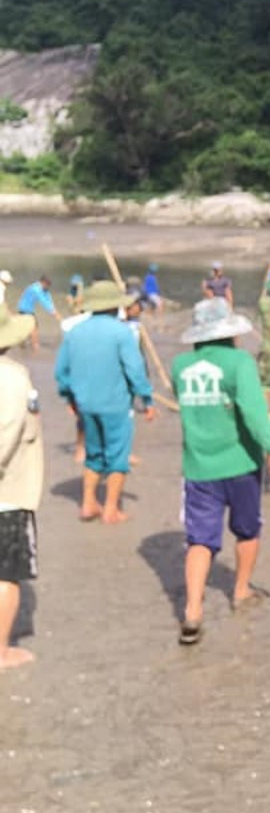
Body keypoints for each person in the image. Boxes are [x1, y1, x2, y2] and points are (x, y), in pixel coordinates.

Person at [173, 299, 270, 646]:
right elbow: (254, 412)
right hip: (241, 464)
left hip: (199, 466)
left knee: (199, 540)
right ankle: (241, 590)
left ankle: (193, 611)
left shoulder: (180, 366)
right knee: (247, 529)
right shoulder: (239, 363)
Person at [54, 280, 156, 524]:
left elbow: (61, 372)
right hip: (115, 404)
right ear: (115, 307)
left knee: (94, 454)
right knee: (118, 455)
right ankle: (111, 509)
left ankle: (88, 502)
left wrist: (69, 397)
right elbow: (135, 369)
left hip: (86, 405)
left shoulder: (75, 332)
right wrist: (147, 399)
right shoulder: (121, 332)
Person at [0, 304, 42, 669]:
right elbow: (7, 435)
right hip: (8, 495)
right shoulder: (13, 378)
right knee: (7, 574)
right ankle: (1, 650)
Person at [16, 275, 56, 351]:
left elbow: (48, 297)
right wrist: (52, 311)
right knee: (34, 328)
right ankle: (35, 347)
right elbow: (43, 300)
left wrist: (53, 309)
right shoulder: (35, 289)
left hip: (25, 309)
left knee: (25, 328)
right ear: (43, 282)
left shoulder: (42, 288)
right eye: (47, 284)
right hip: (25, 309)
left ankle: (21, 345)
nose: (48, 286)